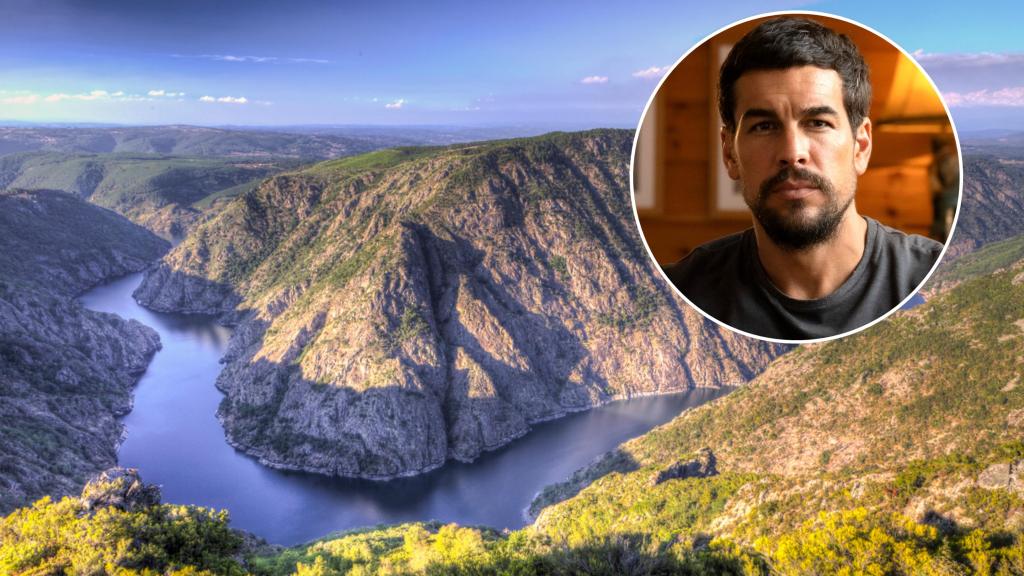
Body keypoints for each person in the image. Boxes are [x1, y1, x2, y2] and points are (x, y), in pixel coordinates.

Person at [665, 16, 943, 340]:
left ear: (861, 146)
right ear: (730, 154)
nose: (793, 152)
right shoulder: (682, 291)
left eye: (818, 123)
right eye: (764, 126)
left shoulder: (935, 276)